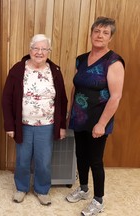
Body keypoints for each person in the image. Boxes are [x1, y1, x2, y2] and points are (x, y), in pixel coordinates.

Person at [66, 17, 125, 216]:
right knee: (80, 156)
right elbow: (76, 86)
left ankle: (98, 201)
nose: (100, 35)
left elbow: (116, 97)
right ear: (91, 33)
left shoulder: (113, 62)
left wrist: (101, 123)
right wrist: (70, 111)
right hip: (79, 116)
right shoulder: (81, 59)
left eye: (105, 33)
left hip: (99, 120)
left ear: (110, 37)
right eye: (97, 31)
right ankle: (83, 189)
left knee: (95, 160)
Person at [2, 34, 68, 205]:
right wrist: (9, 125)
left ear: (48, 51)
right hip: (22, 124)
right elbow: (6, 99)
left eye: (43, 49)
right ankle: (21, 188)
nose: (39, 52)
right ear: (30, 50)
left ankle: (42, 189)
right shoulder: (17, 70)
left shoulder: (55, 71)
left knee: (44, 161)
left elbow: (62, 100)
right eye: (36, 48)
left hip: (47, 125)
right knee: (22, 159)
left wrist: (61, 126)